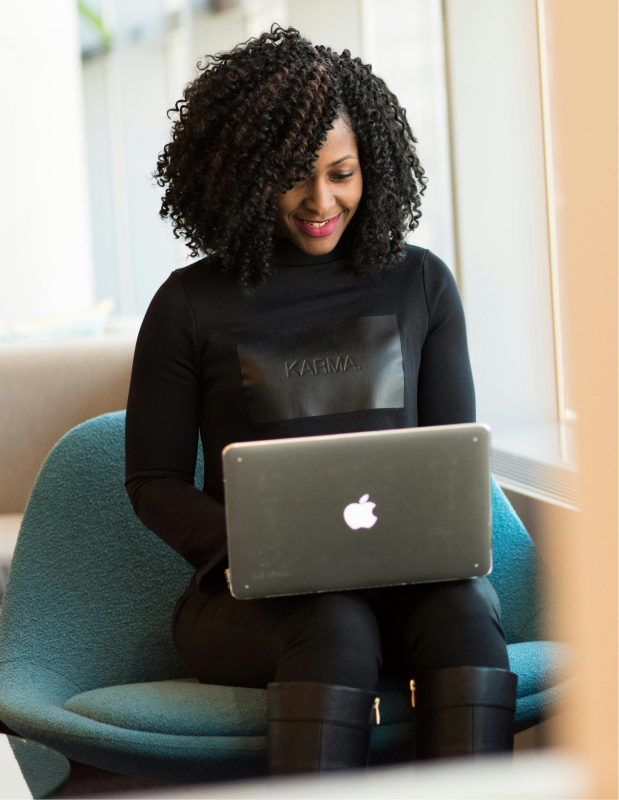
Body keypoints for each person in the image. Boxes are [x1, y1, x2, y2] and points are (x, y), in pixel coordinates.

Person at [125, 26, 517, 775]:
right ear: (241, 174)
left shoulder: (421, 284)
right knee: (335, 624)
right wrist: (266, 550)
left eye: (342, 173)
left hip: (409, 585)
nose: (320, 201)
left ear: (373, 165)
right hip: (254, 602)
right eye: (293, 176)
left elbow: (449, 460)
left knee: (465, 616)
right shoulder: (187, 304)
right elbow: (154, 484)